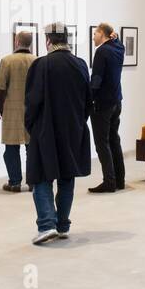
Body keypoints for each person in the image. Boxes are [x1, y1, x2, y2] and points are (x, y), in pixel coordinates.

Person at [23, 23, 91, 245]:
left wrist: (30, 125)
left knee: (41, 176)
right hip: (73, 129)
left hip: (46, 130)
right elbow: (88, 101)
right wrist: (79, 123)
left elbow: (32, 101)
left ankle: (46, 225)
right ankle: (62, 224)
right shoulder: (80, 64)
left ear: (48, 40)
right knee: (66, 176)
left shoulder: (41, 65)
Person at [0, 30, 35, 192]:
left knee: (11, 148)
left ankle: (15, 182)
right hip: (32, 110)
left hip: (11, 110)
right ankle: (32, 181)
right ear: (29, 43)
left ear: (17, 42)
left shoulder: (7, 61)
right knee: (31, 148)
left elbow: (1, 87)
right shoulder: (36, 60)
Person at [88, 22, 126, 193]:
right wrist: (115, 37)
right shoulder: (119, 48)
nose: (93, 36)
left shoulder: (102, 51)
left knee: (102, 143)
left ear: (102, 34)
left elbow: (96, 78)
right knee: (114, 139)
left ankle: (109, 181)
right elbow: (118, 42)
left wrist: (90, 98)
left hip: (102, 103)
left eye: (95, 33)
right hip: (116, 102)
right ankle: (120, 180)